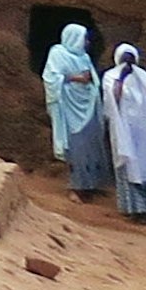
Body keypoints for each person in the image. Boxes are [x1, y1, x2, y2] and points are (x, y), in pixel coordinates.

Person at [103, 41, 146, 223]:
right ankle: (145, 209)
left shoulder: (111, 76)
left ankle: (135, 209)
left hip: (126, 131)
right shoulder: (144, 76)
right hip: (145, 132)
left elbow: (110, 104)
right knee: (145, 167)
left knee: (130, 165)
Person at [43, 22, 108, 200]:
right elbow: (51, 78)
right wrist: (75, 78)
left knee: (91, 147)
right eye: (84, 38)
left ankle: (91, 184)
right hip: (69, 109)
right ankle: (76, 187)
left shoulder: (84, 57)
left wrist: (87, 81)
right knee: (76, 149)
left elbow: (92, 79)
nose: (86, 42)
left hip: (88, 108)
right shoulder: (57, 53)